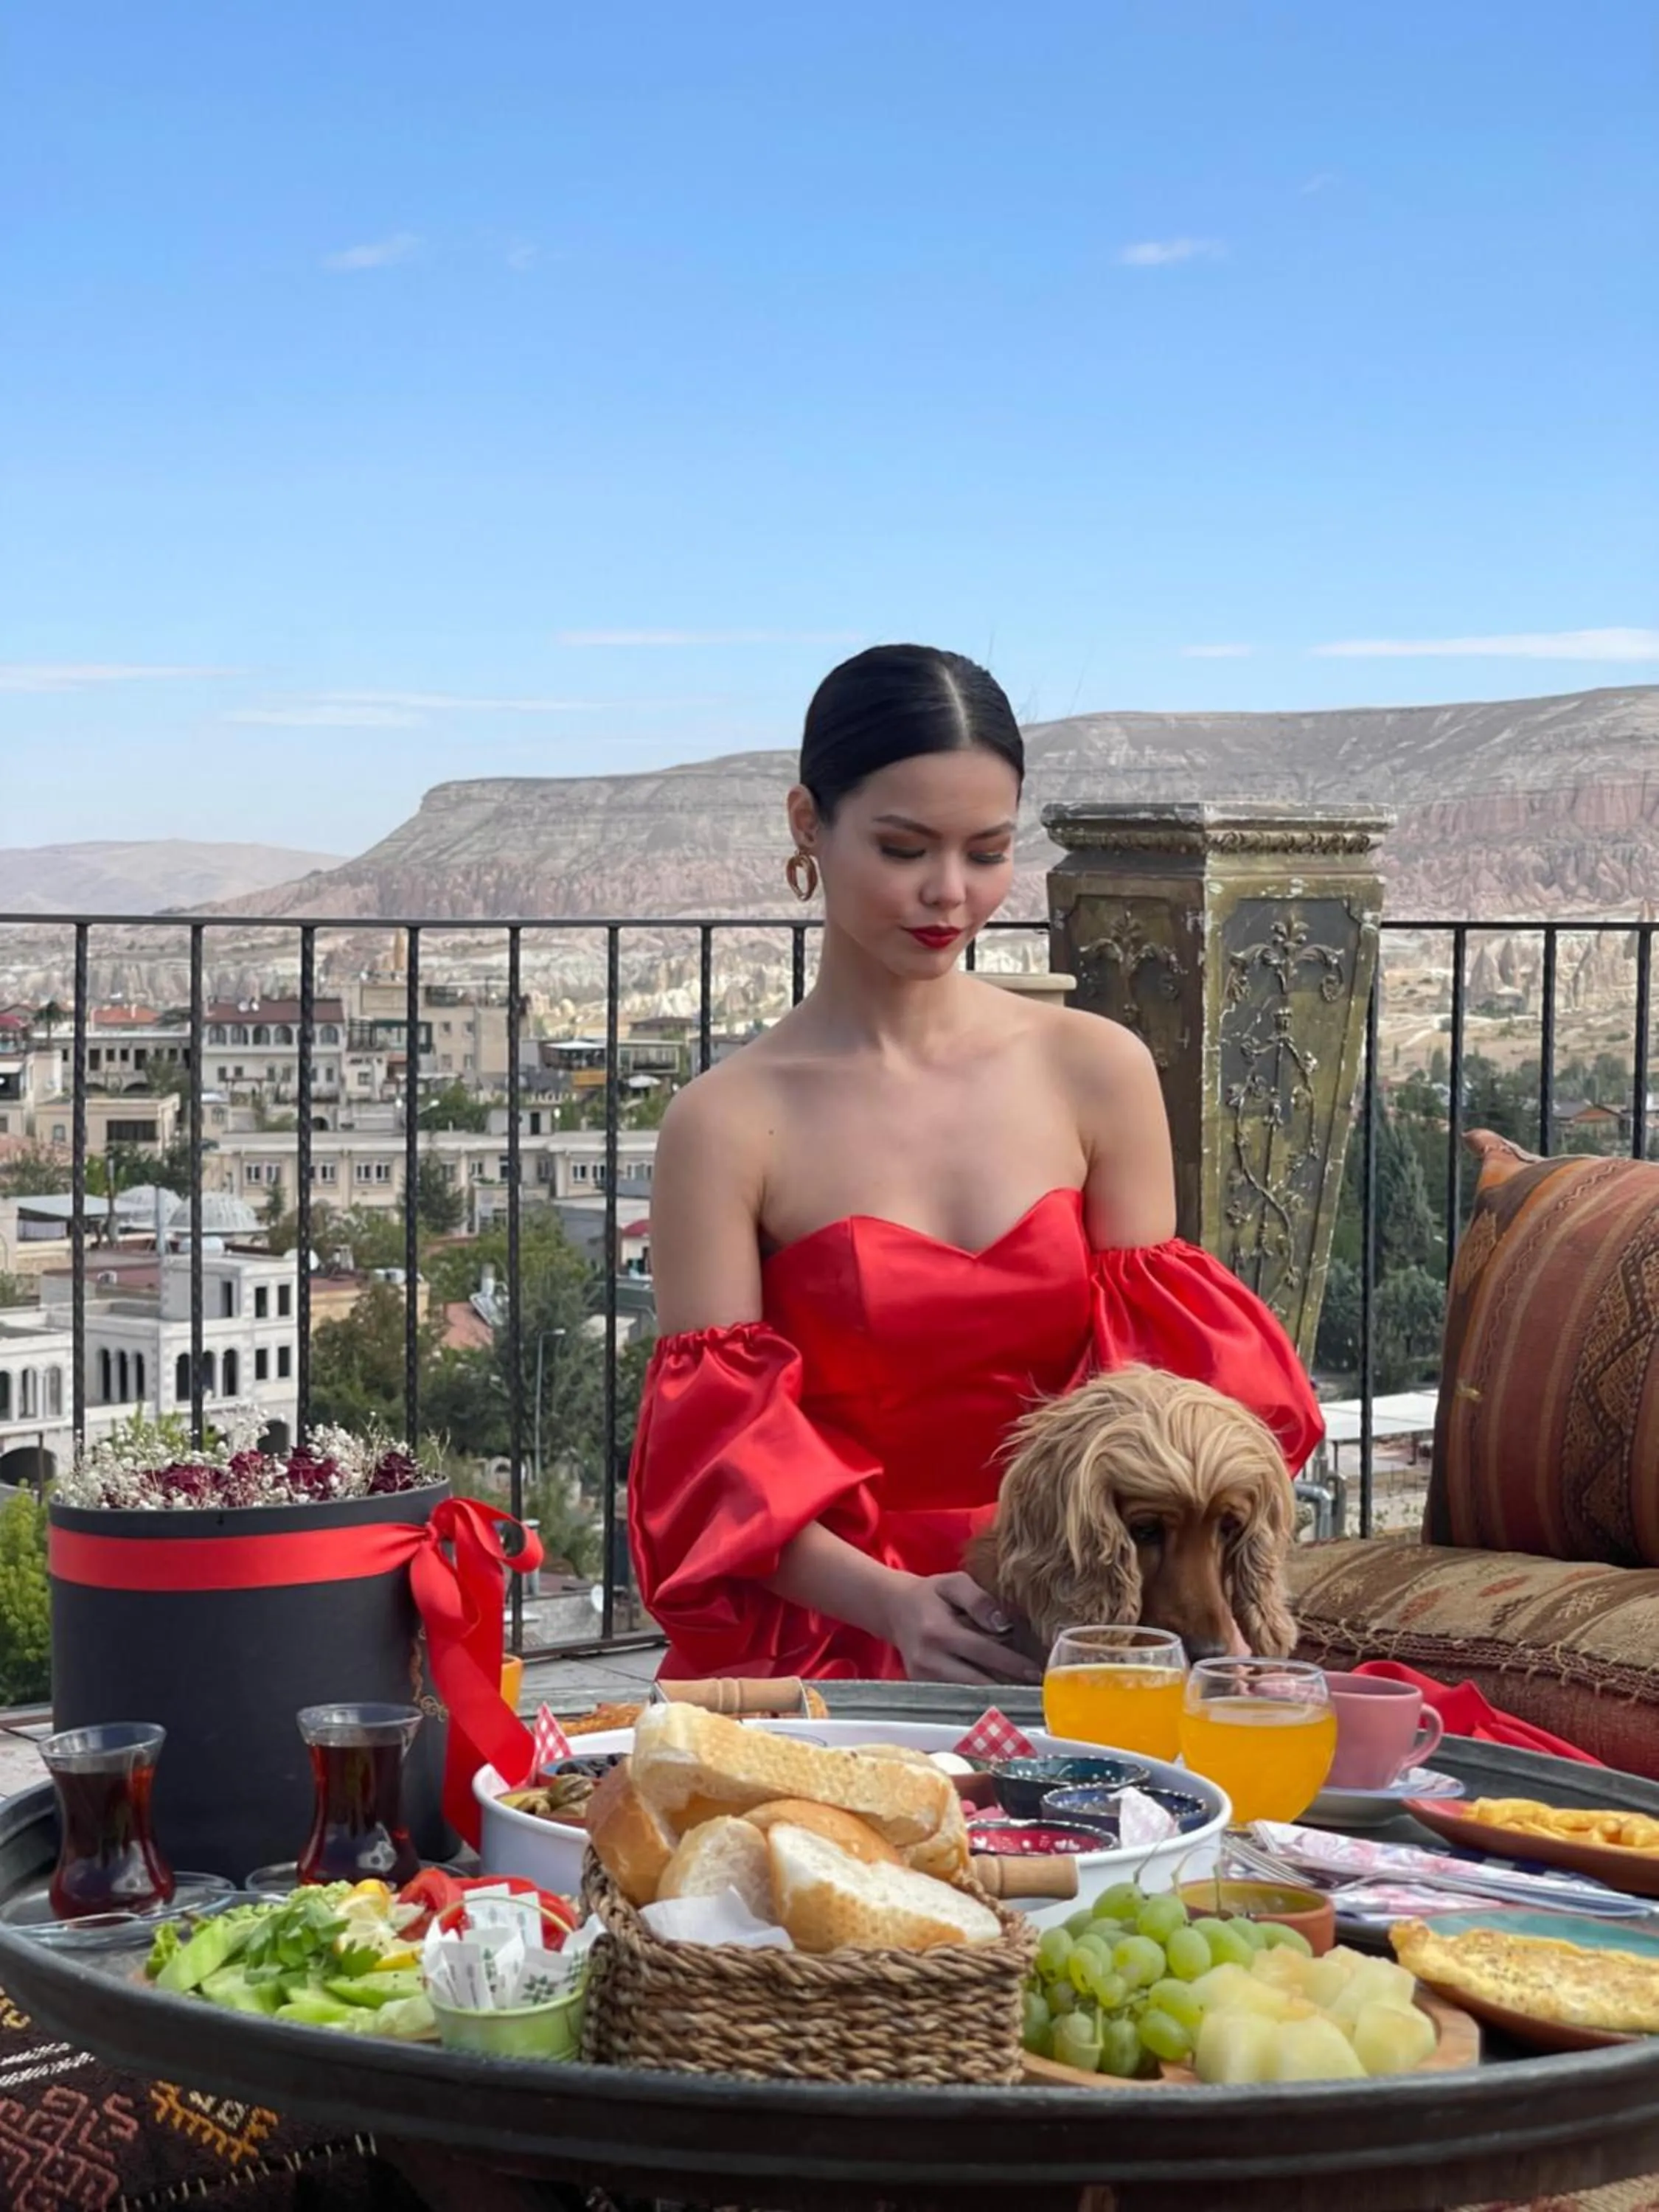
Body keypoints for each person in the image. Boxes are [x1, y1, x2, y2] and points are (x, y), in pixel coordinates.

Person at [628, 644, 1324, 1685]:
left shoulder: (1095, 1070)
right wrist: (893, 1603)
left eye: (987, 851)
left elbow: (1169, 1408)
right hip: (846, 1636)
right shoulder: (725, 1123)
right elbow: (711, 1473)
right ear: (805, 825)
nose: (948, 894)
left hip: (1098, 1623)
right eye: (903, 848)